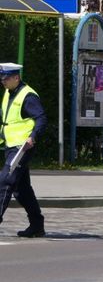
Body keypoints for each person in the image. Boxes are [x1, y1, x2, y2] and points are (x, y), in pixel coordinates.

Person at [0, 63, 47, 237]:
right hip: (10, 145)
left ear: (16, 78)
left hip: (22, 148)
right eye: (1, 79)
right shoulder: (8, 92)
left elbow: (41, 118)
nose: (2, 82)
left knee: (5, 180)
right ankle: (37, 225)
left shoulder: (28, 96)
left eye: (5, 79)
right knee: (22, 189)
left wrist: (33, 136)